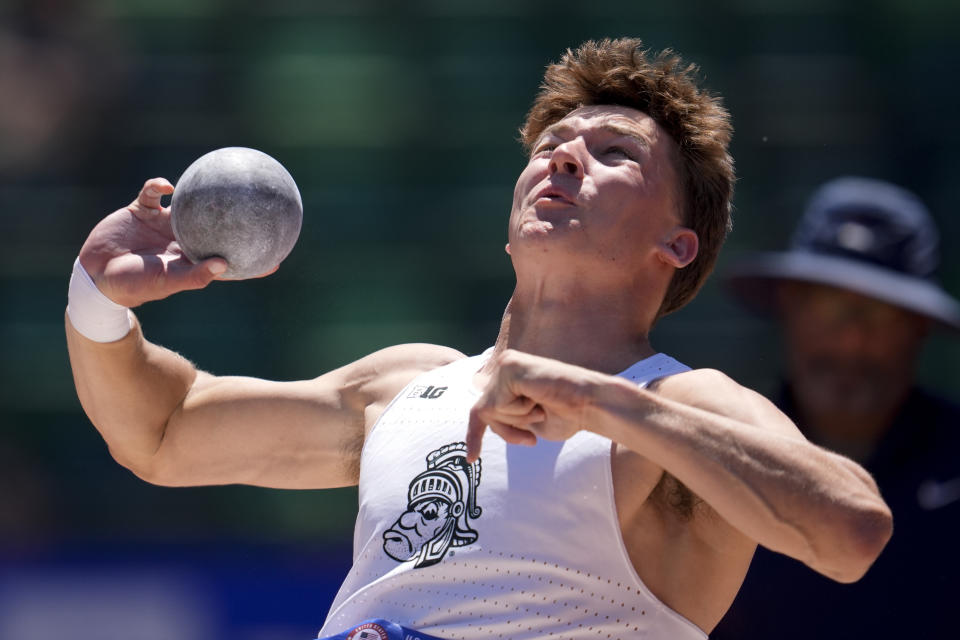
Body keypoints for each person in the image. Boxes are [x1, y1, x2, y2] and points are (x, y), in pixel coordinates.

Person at [65, 39, 893, 640]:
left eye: (613, 154)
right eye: (550, 147)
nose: (564, 159)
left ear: (677, 245)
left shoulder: (675, 404)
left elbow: (851, 530)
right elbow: (164, 432)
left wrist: (598, 401)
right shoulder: (406, 384)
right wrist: (97, 296)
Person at [713, 176, 960, 639]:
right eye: (830, 307)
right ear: (789, 305)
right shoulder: (714, 456)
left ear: (919, 327)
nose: (851, 340)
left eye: (879, 313)